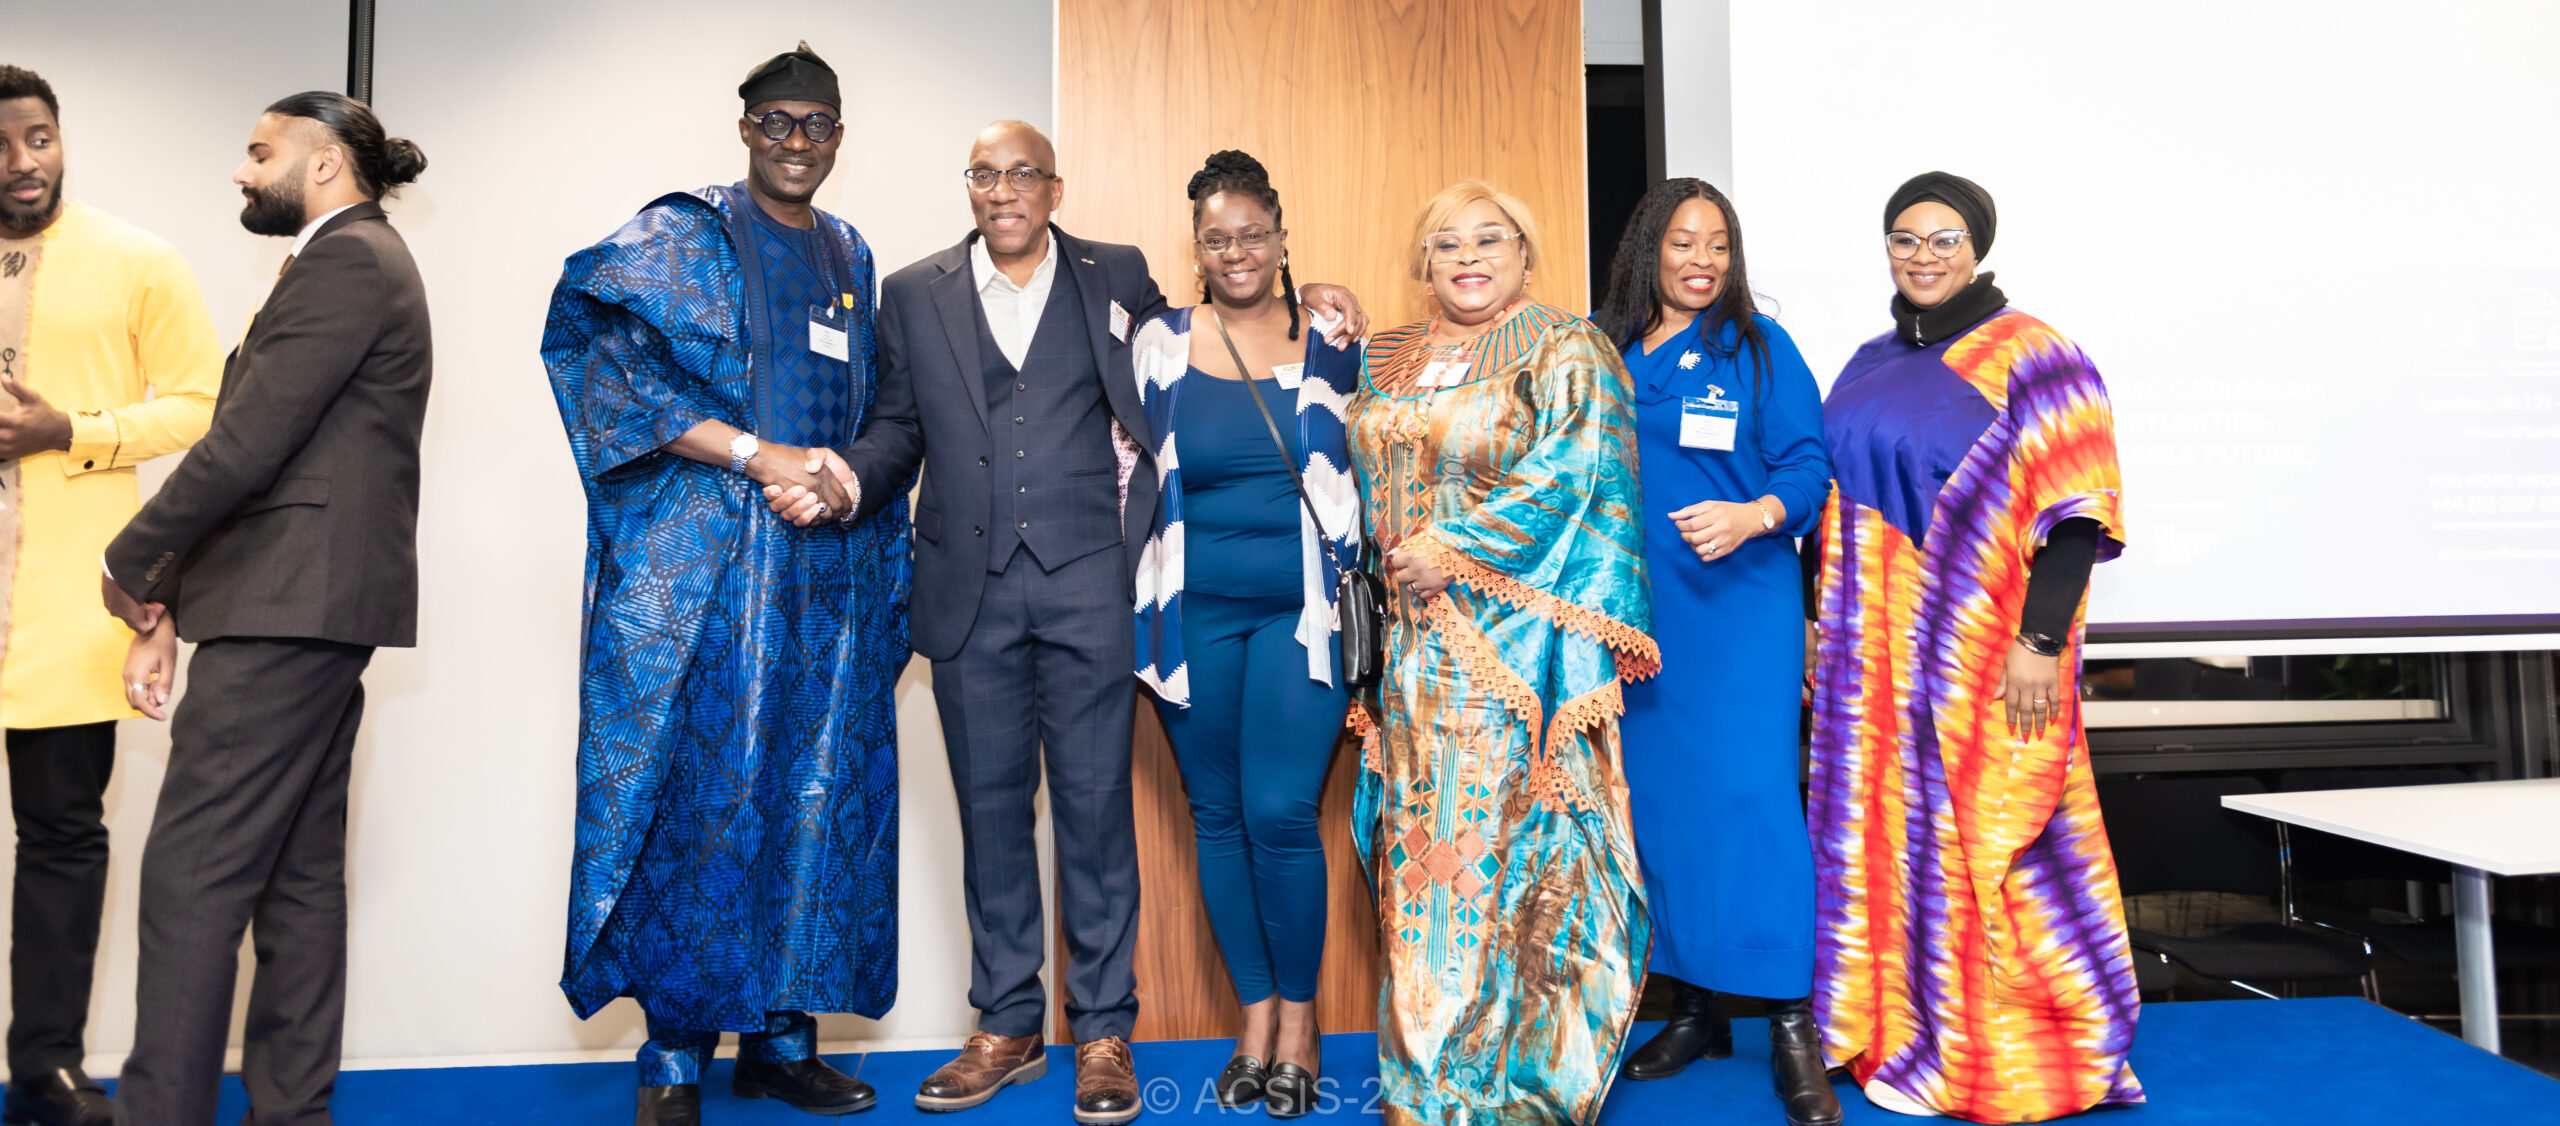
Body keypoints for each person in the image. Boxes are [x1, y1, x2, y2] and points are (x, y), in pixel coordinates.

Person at [768, 120, 1360, 1125]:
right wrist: (845, 478)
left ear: (1054, 186)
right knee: (991, 817)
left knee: (1096, 818)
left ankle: (1102, 1033)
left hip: (1093, 584)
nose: (1003, 190)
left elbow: (1235, 318)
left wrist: (1324, 294)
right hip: (968, 589)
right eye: (984, 174)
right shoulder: (912, 292)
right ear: (969, 187)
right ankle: (1004, 1024)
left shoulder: (1115, 274)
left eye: (1022, 174)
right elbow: (898, 426)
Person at [539, 43, 905, 1126]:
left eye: (817, 125)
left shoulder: (851, 250)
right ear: (746, 129)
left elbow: (871, 402)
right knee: (704, 803)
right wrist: (758, 456)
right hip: (709, 571)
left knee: (812, 795)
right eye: (777, 122)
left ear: (839, 138)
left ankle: (781, 1046)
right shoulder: (683, 233)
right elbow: (608, 367)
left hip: (825, 572)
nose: (797, 141)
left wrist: (832, 484)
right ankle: (672, 1060)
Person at [101, 91, 429, 1126]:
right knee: (296, 878)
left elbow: (245, 445)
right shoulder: (355, 260)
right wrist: (171, 598)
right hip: (309, 608)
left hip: (286, 608)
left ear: (324, 162)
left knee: (193, 874)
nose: (242, 172)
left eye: (258, 151)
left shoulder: (347, 261)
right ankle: (291, 1111)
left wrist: (133, 561)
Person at [1804, 171, 2139, 1123]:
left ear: (1978, 247)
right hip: (1870, 663)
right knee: (1885, 841)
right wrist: (1815, 625)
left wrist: (2041, 641)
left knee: (1995, 842)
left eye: (1944, 238)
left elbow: (2079, 514)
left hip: (1987, 655)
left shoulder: (2037, 354)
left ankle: (2013, 1050)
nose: (1924, 256)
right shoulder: (1865, 363)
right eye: (1905, 238)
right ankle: (1902, 1029)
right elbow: (1831, 509)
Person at [1344, 181, 1655, 1126]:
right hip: (1407, 651)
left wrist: (1455, 547)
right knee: (1417, 862)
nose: (1469, 258)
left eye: (1490, 239)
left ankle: (1499, 1086)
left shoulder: (1568, 348)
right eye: (1447, 243)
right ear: (1423, 262)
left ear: (1525, 252)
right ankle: (1423, 1086)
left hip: (1510, 653)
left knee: (1500, 859)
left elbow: (1581, 469)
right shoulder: (1389, 355)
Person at [0, 63, 221, 1126]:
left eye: (37, 137)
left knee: (61, 838)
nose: (21, 162)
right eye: (0, 145)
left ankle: (45, 1069)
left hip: (66, 610)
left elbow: (203, 406)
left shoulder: (138, 260)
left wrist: (71, 431)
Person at [1592, 178, 1839, 1126]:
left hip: (1739, 614)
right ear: (1647, 249)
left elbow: (1808, 468)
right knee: (1660, 811)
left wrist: (1754, 515)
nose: (1702, 261)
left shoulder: (1759, 347)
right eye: (1684, 243)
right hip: (1637, 620)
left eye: (1719, 245)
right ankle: (1694, 1009)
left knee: (1753, 803)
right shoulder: (1604, 346)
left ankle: (1789, 1021)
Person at [1125, 150, 1357, 1118]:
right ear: (1198, 249)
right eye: (1216, 239)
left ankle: (1301, 1021)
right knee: (1215, 815)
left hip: (1302, 618)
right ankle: (1254, 1019)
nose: (1235, 252)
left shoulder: (1332, 334)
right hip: (1192, 615)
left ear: (1280, 238)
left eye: (1251, 235)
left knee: (1278, 812)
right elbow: (1127, 464)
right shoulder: (1159, 343)